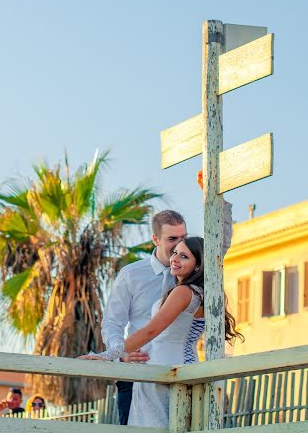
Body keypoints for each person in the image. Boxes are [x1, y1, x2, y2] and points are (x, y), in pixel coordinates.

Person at [100, 172, 233, 425]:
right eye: (172, 239)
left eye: (182, 238)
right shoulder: (131, 275)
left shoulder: (190, 272)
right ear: (155, 239)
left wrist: (217, 197)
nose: (177, 246)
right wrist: (120, 354)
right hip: (136, 373)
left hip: (178, 372)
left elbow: (219, 245)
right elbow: (113, 323)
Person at [81, 237, 243, 429]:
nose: (175, 259)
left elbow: (151, 330)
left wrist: (108, 355)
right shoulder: (197, 293)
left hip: (166, 373)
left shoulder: (183, 292)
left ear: (198, 266)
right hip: (172, 370)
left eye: (184, 257)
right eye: (175, 253)